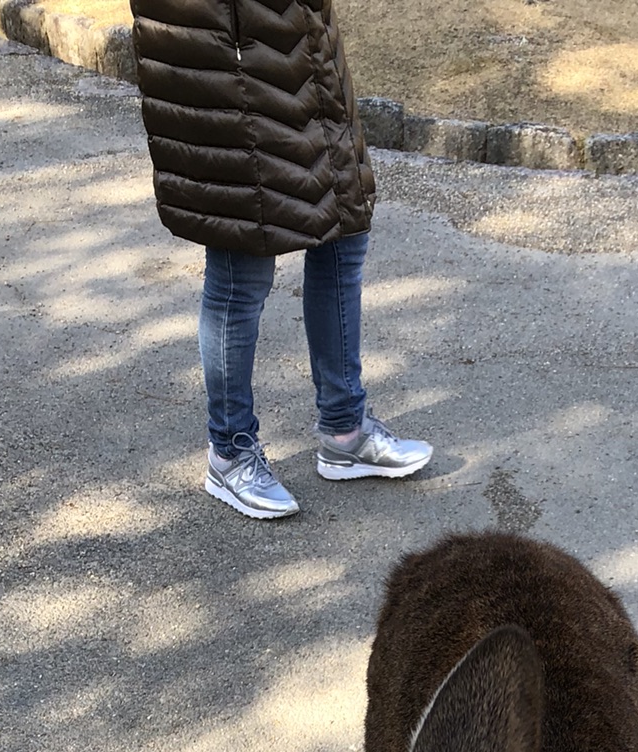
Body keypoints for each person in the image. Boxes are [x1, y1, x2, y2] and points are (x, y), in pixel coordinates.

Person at [129, 0, 431, 520]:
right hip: (228, 67)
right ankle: (229, 451)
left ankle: (344, 430)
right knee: (241, 267)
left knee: (343, 234)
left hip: (305, 57)